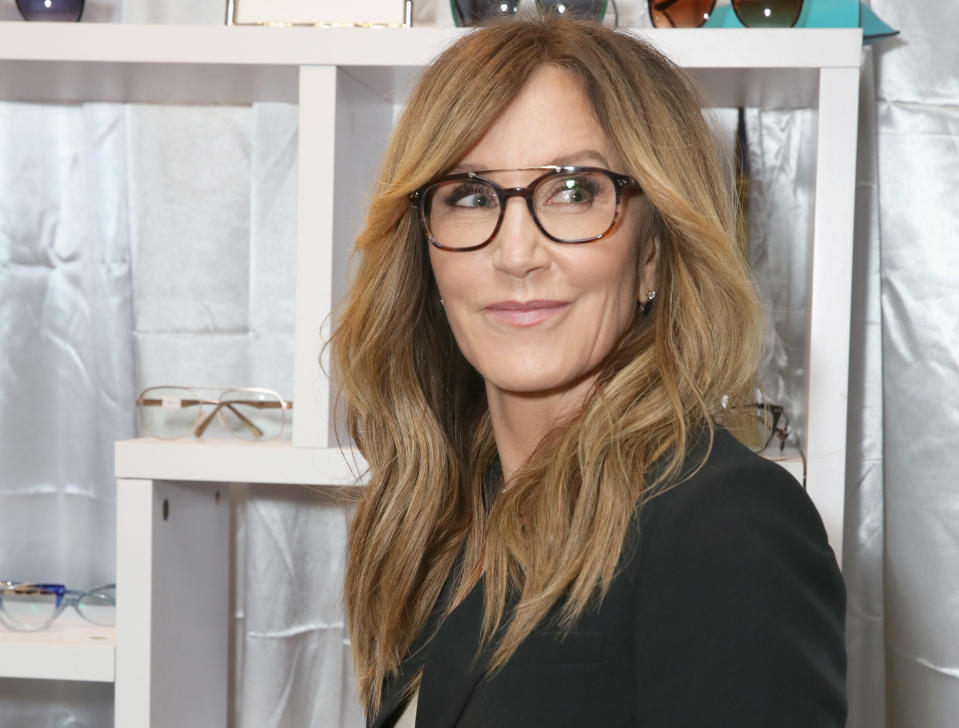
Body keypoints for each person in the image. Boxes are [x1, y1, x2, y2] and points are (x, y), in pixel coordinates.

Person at [330, 14, 846, 728]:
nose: (516, 254)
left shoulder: (727, 527)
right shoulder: (434, 520)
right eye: (471, 195)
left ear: (656, 252)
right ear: (424, 249)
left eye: (574, 191)